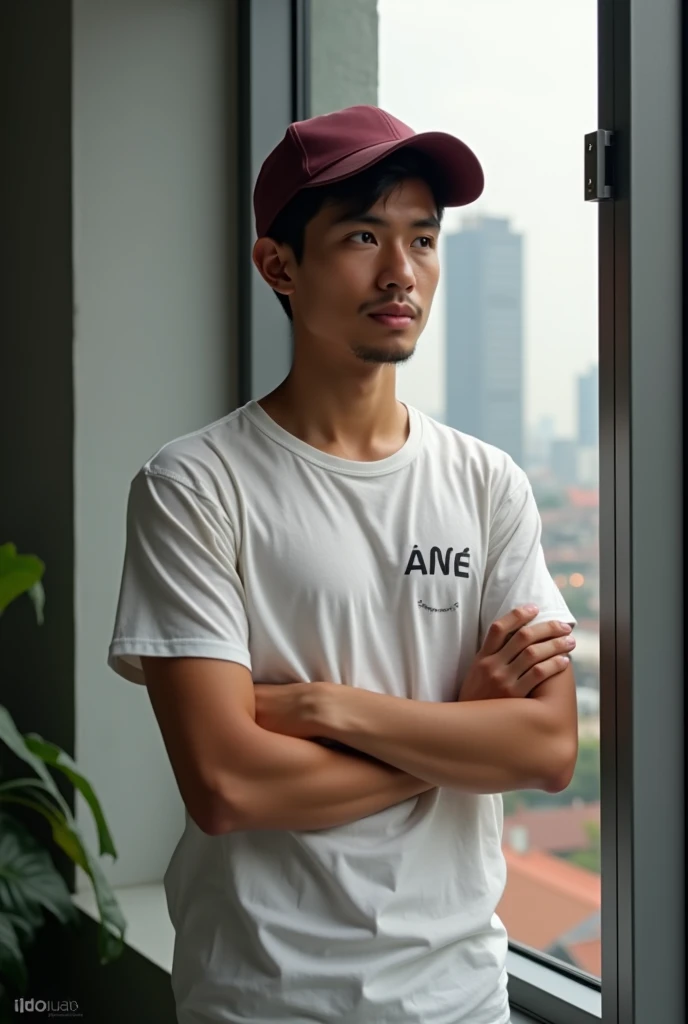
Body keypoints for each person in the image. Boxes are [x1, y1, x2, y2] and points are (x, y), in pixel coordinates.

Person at [108, 105, 578, 1024]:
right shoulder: (194, 486)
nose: (401, 272)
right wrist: (460, 736)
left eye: (423, 238)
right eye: (363, 236)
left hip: (463, 999)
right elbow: (228, 786)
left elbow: (548, 748)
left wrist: (328, 708)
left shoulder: (488, 484)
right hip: (262, 999)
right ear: (280, 264)